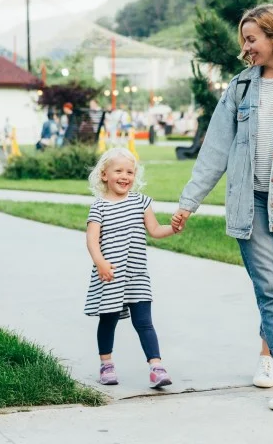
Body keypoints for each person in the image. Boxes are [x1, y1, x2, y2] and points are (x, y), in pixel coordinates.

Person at [171, 4, 273, 412]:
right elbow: (215, 152)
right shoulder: (240, 89)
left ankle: (267, 356)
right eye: (244, 40)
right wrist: (187, 204)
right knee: (271, 288)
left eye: (251, 38)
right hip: (251, 205)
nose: (246, 48)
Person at [85, 147, 177, 388]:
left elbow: (155, 230)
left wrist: (174, 228)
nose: (125, 176)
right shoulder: (99, 207)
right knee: (108, 320)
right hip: (111, 275)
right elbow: (92, 240)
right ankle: (106, 364)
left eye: (130, 172)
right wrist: (101, 263)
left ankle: (156, 367)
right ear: (104, 175)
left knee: (144, 322)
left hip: (136, 275)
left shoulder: (140, 202)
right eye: (118, 171)